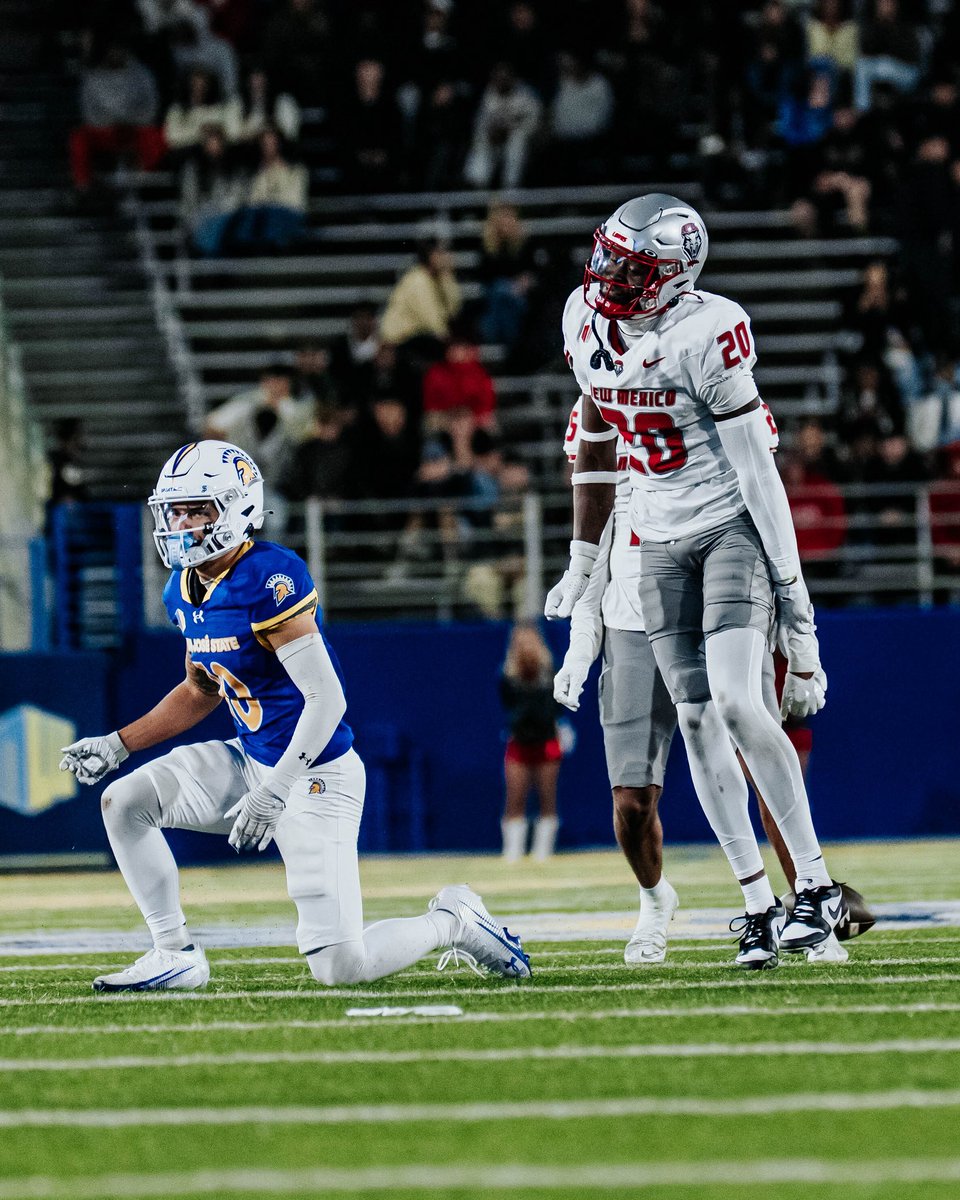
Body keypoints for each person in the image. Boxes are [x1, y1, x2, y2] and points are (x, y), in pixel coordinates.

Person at [58, 440, 531, 991]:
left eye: (196, 509)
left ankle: (453, 920)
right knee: (124, 801)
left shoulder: (269, 577)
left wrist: (278, 786)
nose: (180, 522)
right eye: (176, 509)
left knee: (340, 968)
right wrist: (120, 744)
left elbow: (327, 699)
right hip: (249, 760)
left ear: (236, 508)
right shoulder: (183, 587)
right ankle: (175, 953)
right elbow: (199, 689)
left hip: (314, 776)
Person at [547, 193, 846, 969]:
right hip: (652, 537)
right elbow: (597, 435)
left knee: (744, 705)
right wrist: (583, 564)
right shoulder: (583, 317)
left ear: (675, 274)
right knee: (696, 721)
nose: (609, 273)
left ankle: (813, 891)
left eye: (631, 265)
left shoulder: (708, 329)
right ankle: (756, 904)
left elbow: (757, 471)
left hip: (726, 524)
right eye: (608, 254)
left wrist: (797, 612)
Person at [499, 623, 563, 862]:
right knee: (515, 797)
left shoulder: (550, 672)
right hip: (520, 743)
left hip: (546, 741)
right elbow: (507, 705)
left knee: (548, 796)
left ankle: (543, 851)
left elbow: (556, 708)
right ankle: (512, 851)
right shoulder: (508, 675)